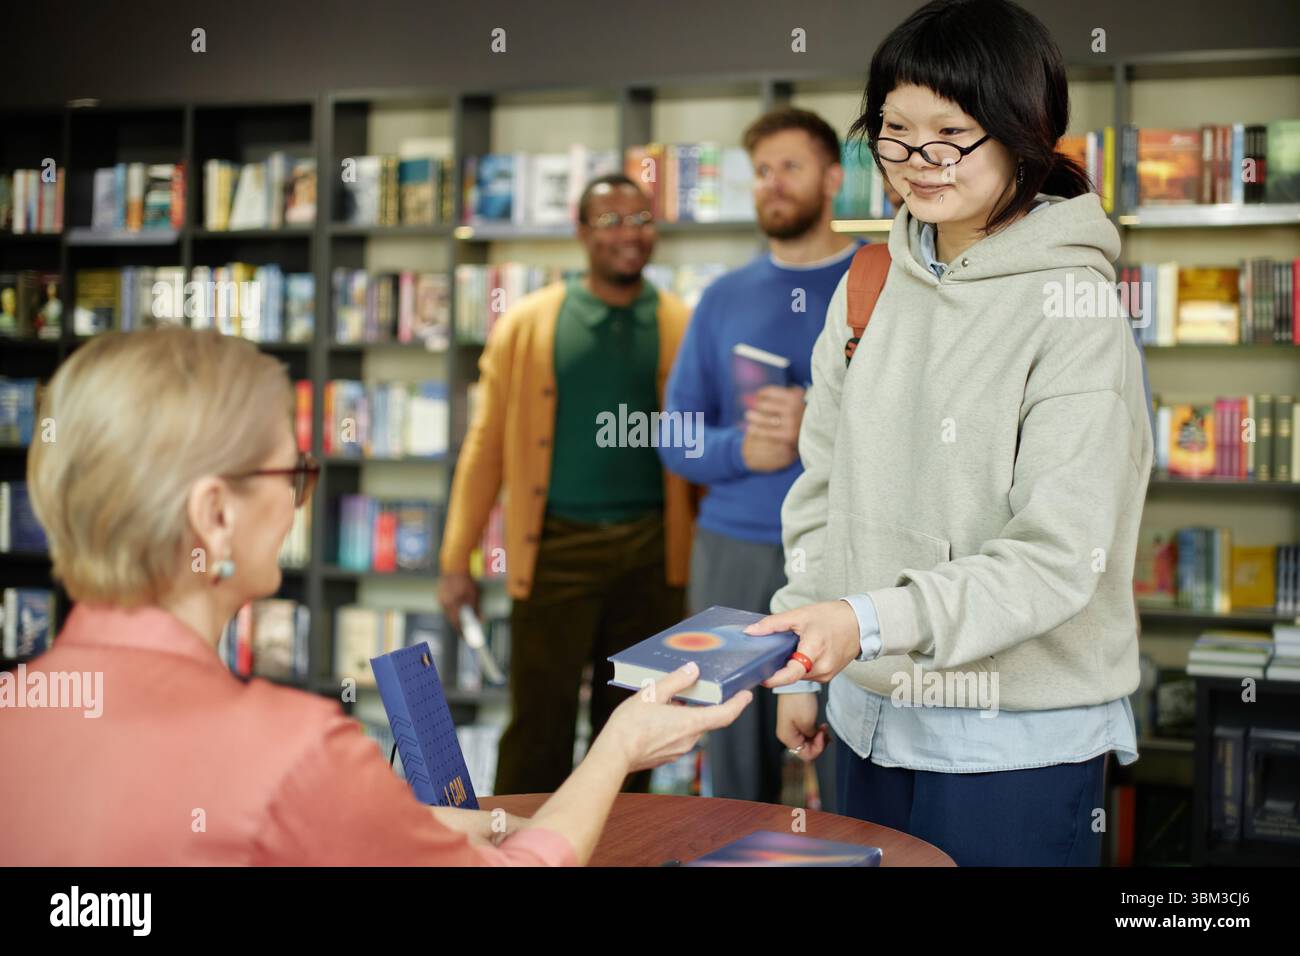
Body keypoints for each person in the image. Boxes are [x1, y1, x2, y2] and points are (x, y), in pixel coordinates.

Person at [0, 327, 749, 865]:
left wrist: (399, 825)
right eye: (292, 475)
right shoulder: (293, 751)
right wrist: (617, 745)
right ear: (214, 516)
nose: (300, 501)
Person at [747, 0, 1154, 866]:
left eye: (952, 133)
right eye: (894, 132)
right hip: (864, 720)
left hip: (1008, 743)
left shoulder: (1074, 309)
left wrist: (863, 623)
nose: (918, 162)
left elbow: (1057, 557)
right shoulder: (869, 281)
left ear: (1023, 132)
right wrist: (809, 649)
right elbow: (821, 486)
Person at [437, 174, 698, 796]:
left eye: (640, 218)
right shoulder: (528, 326)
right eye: (609, 221)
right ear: (581, 232)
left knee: (633, 725)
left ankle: (622, 854)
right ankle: (518, 850)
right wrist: (456, 558)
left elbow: (698, 443)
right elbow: (486, 448)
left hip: (651, 554)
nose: (628, 234)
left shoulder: (679, 324)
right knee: (539, 725)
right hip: (554, 548)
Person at [657, 107, 861, 808]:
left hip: (850, 551)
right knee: (733, 755)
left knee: (848, 746)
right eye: (763, 172)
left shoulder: (879, 283)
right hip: (734, 554)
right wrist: (740, 448)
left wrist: (820, 420)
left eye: (791, 168)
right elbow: (674, 436)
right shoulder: (721, 298)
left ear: (834, 178)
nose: (773, 185)